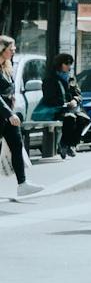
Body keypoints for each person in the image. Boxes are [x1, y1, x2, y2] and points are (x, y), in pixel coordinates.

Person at [1, 36, 44, 198]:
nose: (14, 50)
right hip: (5, 114)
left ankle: (22, 184)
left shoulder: (7, 67)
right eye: (11, 48)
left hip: (7, 115)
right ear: (2, 49)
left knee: (17, 146)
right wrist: (9, 113)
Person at [32, 53, 81, 158]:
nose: (69, 66)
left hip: (70, 108)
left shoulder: (71, 78)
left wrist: (75, 100)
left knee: (83, 118)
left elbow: (78, 94)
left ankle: (71, 144)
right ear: (59, 64)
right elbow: (49, 99)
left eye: (70, 64)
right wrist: (65, 104)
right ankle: (64, 144)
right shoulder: (50, 79)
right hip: (54, 110)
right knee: (70, 118)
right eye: (66, 64)